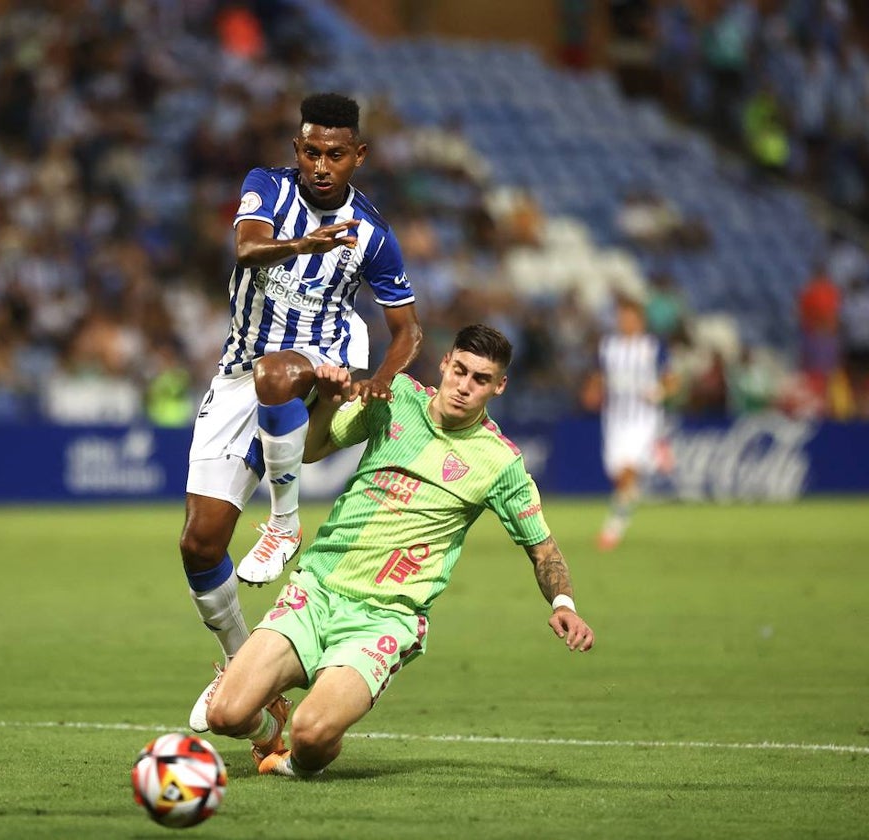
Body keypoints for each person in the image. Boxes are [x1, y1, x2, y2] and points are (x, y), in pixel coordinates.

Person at [203, 324, 594, 776]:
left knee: (311, 736)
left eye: (480, 380)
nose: (464, 387)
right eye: (461, 371)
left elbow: (544, 550)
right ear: (445, 363)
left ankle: (298, 760)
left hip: (385, 617)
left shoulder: (499, 461)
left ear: (499, 386)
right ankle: (268, 725)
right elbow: (312, 450)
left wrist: (564, 603)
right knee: (224, 715)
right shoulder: (396, 398)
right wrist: (329, 400)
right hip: (316, 592)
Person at [182, 93, 423, 733]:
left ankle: (285, 524)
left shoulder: (373, 232)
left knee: (279, 374)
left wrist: (380, 379)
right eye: (311, 151)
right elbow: (247, 249)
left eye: (336, 154)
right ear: (297, 149)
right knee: (200, 543)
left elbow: (408, 331)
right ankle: (243, 675)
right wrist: (303, 245)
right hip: (239, 370)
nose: (322, 165)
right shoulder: (265, 187)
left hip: (327, 354)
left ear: (358, 156)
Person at [581, 296, 676, 551]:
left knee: (627, 473)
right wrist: (591, 391)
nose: (625, 322)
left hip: (644, 419)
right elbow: (598, 376)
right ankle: (657, 455)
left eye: (630, 317)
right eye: (622, 317)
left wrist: (659, 390)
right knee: (618, 474)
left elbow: (672, 379)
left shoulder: (653, 346)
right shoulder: (608, 347)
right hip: (614, 419)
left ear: (640, 320)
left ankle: (612, 530)